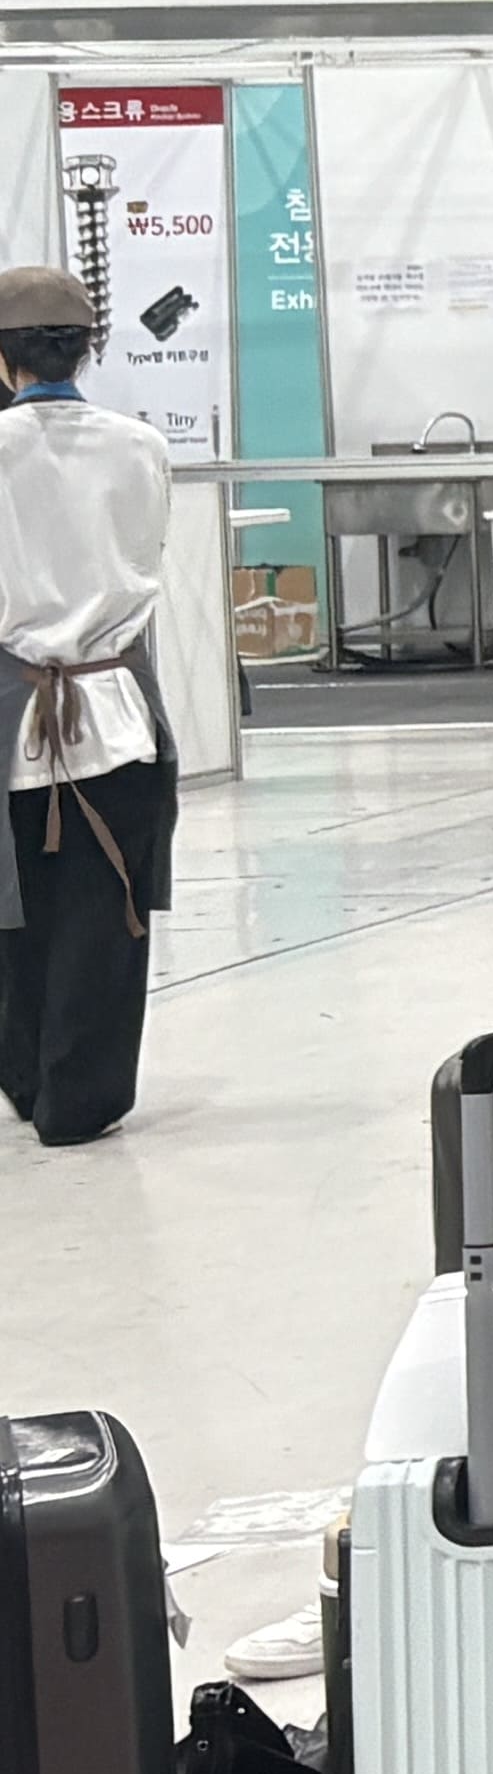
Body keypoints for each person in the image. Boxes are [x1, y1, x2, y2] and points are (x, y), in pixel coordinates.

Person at [0, 265, 172, 1148]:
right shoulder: (139, 447)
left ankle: (29, 1081)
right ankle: (81, 1097)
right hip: (113, 709)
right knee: (105, 912)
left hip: (11, 715)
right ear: (87, 350)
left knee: (15, 912)